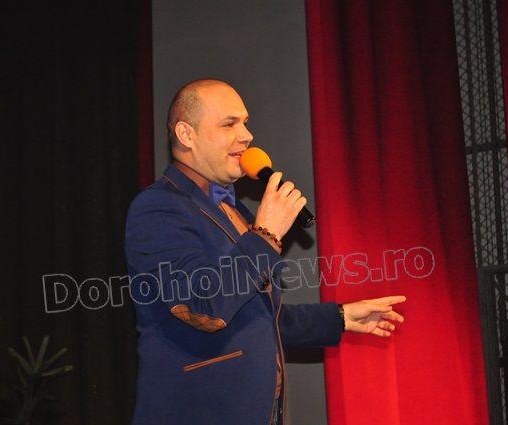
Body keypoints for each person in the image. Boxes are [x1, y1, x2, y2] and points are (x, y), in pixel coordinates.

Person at [125, 79, 405, 425]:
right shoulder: (158, 207)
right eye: (229, 124)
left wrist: (341, 317)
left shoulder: (234, 211)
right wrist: (267, 234)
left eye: (245, 122)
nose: (246, 136)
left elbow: (258, 318)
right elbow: (202, 307)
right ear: (186, 134)